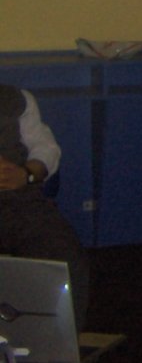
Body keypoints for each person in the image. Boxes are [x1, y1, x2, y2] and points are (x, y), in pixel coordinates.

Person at [0, 85, 90, 331]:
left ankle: (59, 343)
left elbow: (46, 148)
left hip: (18, 200)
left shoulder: (16, 99)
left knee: (64, 257)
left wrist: (26, 173)